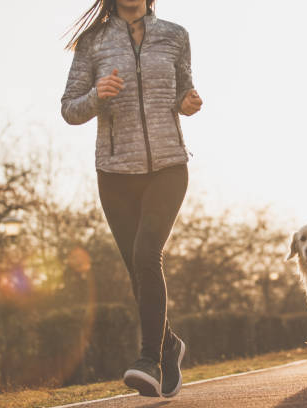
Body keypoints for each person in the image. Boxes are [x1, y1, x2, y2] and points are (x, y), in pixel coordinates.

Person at [61, 0, 202, 397]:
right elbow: (69, 109)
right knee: (136, 271)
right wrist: (96, 95)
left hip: (169, 167)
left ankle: (149, 361)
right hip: (116, 172)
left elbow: (182, 92)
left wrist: (187, 104)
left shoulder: (175, 36)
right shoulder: (93, 41)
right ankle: (170, 345)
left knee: (146, 254)